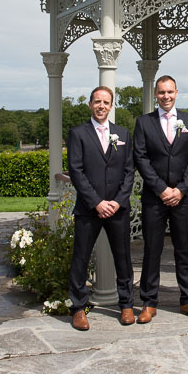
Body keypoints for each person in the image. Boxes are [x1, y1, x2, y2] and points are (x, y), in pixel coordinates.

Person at [133, 75, 188, 322]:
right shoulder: (144, 123)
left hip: (183, 198)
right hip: (155, 198)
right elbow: (141, 158)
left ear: (177, 93)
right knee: (152, 249)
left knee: (184, 250)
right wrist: (161, 189)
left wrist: (181, 189)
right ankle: (148, 302)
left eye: (170, 92)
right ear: (155, 94)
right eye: (161, 92)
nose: (166, 96)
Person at [66, 86, 136, 331]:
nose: (101, 106)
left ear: (111, 105)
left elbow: (129, 171)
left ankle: (126, 304)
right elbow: (76, 171)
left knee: (124, 258)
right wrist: (96, 202)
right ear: (90, 104)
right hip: (89, 208)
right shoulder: (78, 133)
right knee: (81, 259)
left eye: (106, 102)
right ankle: (79, 308)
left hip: (118, 208)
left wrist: (117, 201)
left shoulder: (122, 133)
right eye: (97, 102)